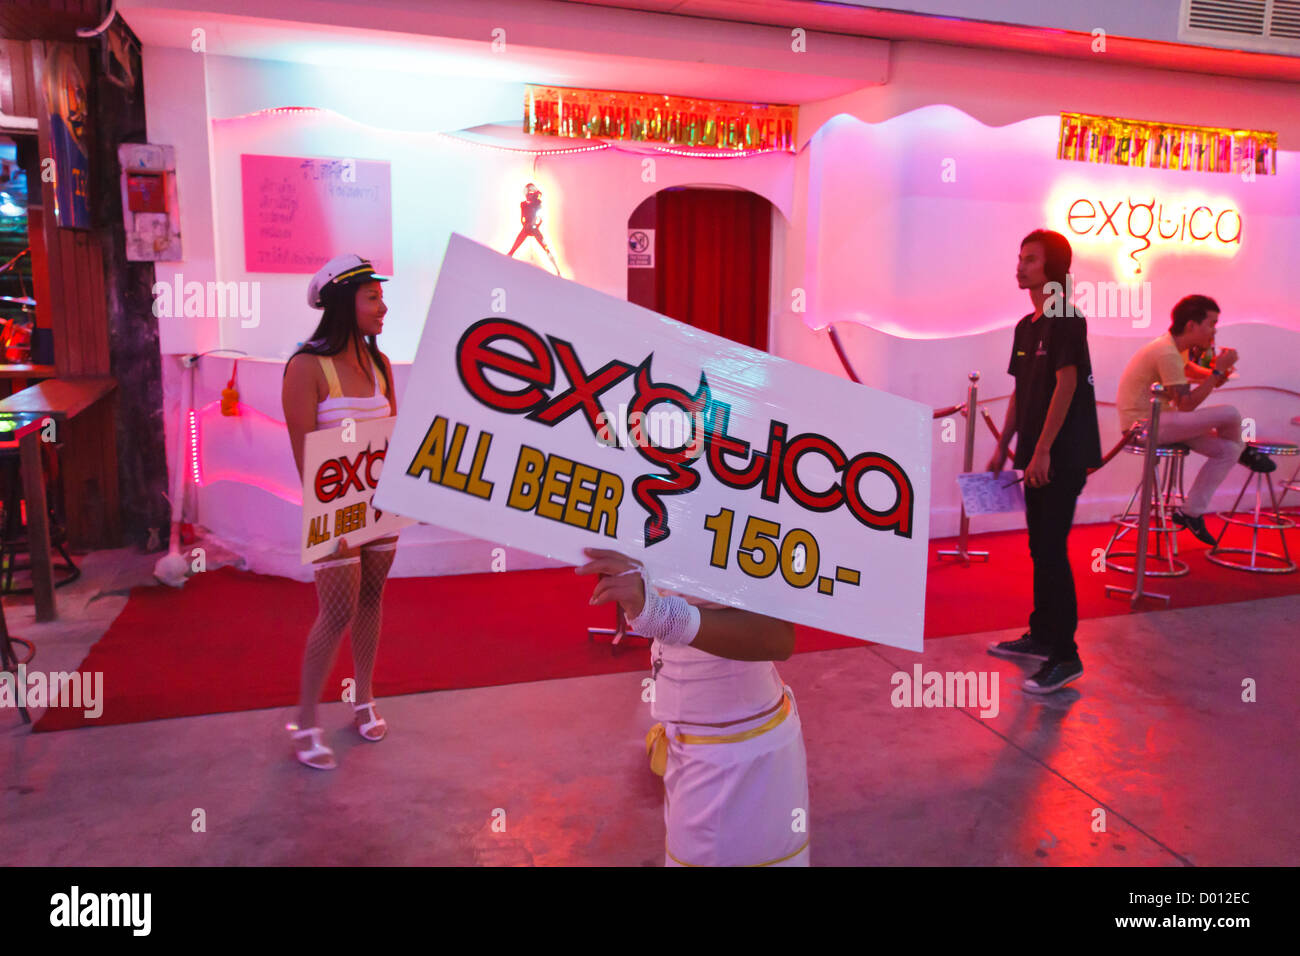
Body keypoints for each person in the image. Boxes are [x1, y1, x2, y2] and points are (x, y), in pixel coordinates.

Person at [576, 548, 810, 866]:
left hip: (740, 752)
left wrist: (656, 613)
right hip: (698, 740)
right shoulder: (670, 505)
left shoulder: (744, 505)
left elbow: (778, 637)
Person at [280, 254, 400, 769]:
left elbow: (391, 437)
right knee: (336, 612)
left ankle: (364, 698)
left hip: (380, 503)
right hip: (334, 509)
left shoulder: (380, 364)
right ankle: (306, 722)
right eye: (371, 297)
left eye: (381, 296)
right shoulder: (306, 367)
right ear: (341, 302)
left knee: (372, 599)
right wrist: (335, 517)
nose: (383, 307)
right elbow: (305, 455)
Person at [986, 230, 1102, 694]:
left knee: (1052, 550)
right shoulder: (1025, 325)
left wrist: (1043, 450)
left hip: (1061, 455)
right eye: (1020, 258)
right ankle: (1041, 634)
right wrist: (1004, 445)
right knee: (1040, 547)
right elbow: (1020, 388)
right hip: (1036, 454)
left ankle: (1066, 655)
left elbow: (1067, 385)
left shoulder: (1066, 319)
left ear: (1052, 269)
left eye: (1030, 260)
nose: (1021, 267)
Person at [1114, 294, 1274, 546]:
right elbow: (1186, 405)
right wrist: (1218, 371)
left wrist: (1218, 373)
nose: (1214, 330)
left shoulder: (1177, 349)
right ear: (1191, 325)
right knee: (1230, 413)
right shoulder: (1165, 352)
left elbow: (1190, 373)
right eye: (1211, 323)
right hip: (1144, 426)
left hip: (1164, 422)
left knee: (1227, 449)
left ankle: (1191, 512)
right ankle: (1246, 452)